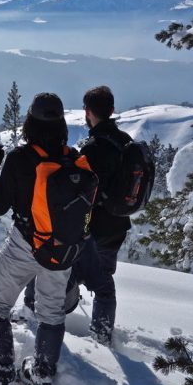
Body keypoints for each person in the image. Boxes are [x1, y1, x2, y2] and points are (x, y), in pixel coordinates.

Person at [0, 92, 92, 385]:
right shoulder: (72, 157)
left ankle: (3, 374)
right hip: (61, 246)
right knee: (51, 311)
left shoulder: (20, 158)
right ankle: (42, 376)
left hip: (26, 242)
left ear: (30, 121)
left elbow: (1, 206)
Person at [24, 85, 131, 345]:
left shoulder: (93, 148)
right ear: (112, 110)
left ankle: (32, 317)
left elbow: (79, 190)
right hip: (118, 226)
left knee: (56, 271)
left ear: (88, 112)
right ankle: (101, 336)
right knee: (104, 285)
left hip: (92, 227)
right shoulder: (126, 141)